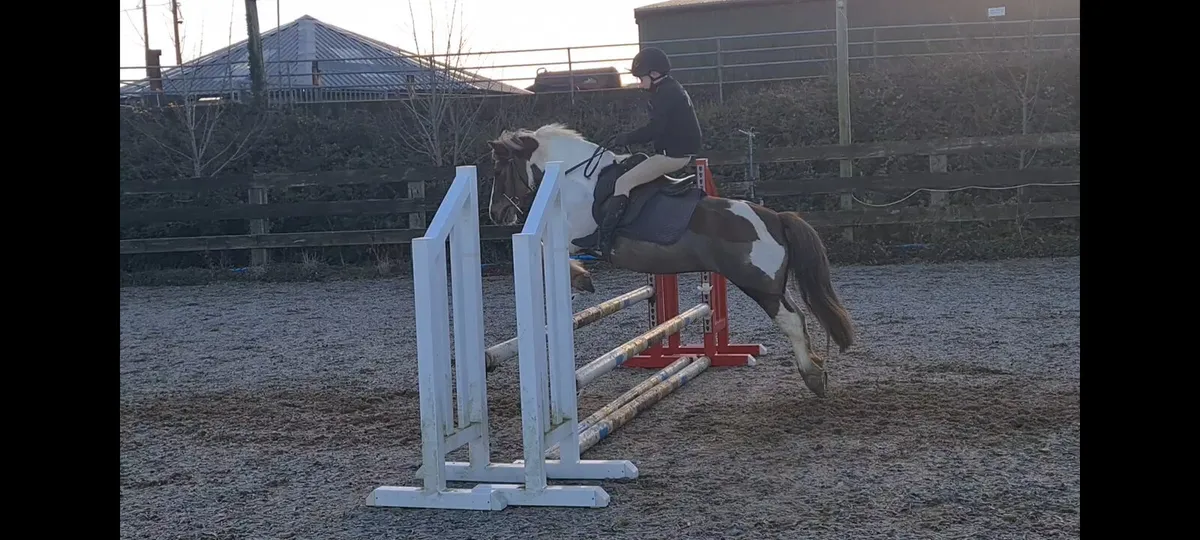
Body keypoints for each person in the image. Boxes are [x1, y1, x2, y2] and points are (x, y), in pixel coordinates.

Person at [591, 46, 702, 258]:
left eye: (641, 78)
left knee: (623, 183)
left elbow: (654, 129)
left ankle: (604, 242)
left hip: (672, 156)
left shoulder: (667, 93)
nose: (639, 83)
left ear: (654, 74)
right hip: (672, 152)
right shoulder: (669, 89)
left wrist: (626, 137)